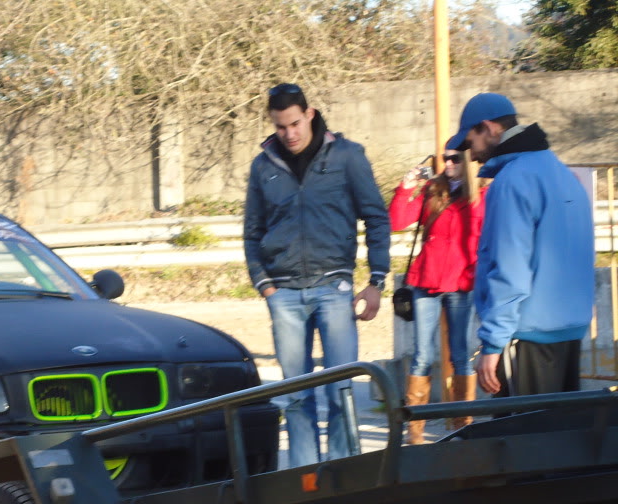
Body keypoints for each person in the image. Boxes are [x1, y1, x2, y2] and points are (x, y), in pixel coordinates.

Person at [243, 83, 391, 467]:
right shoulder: (263, 167)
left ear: (309, 115)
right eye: (280, 127)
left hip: (334, 288)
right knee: (294, 396)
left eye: (294, 123)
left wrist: (377, 281)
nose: (289, 134)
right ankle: (305, 481)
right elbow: (252, 231)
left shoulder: (347, 157)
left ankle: (346, 478)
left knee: (341, 390)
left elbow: (376, 216)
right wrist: (266, 286)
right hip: (285, 296)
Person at [446, 93, 595, 398]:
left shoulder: (513, 180)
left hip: (525, 334)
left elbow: (510, 266)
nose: (470, 155)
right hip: (569, 330)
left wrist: (493, 342)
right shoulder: (561, 173)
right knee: (556, 437)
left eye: (469, 142)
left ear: (489, 128)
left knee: (519, 438)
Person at [388, 151, 486, 443]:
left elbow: (482, 239)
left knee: (461, 355)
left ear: (469, 162)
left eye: (455, 159)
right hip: (426, 281)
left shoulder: (480, 196)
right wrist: (407, 187)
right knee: (421, 355)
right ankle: (415, 429)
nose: (448, 164)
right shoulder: (434, 190)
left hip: (460, 284)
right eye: (445, 158)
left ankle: (461, 425)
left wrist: (473, 276)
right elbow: (397, 220)